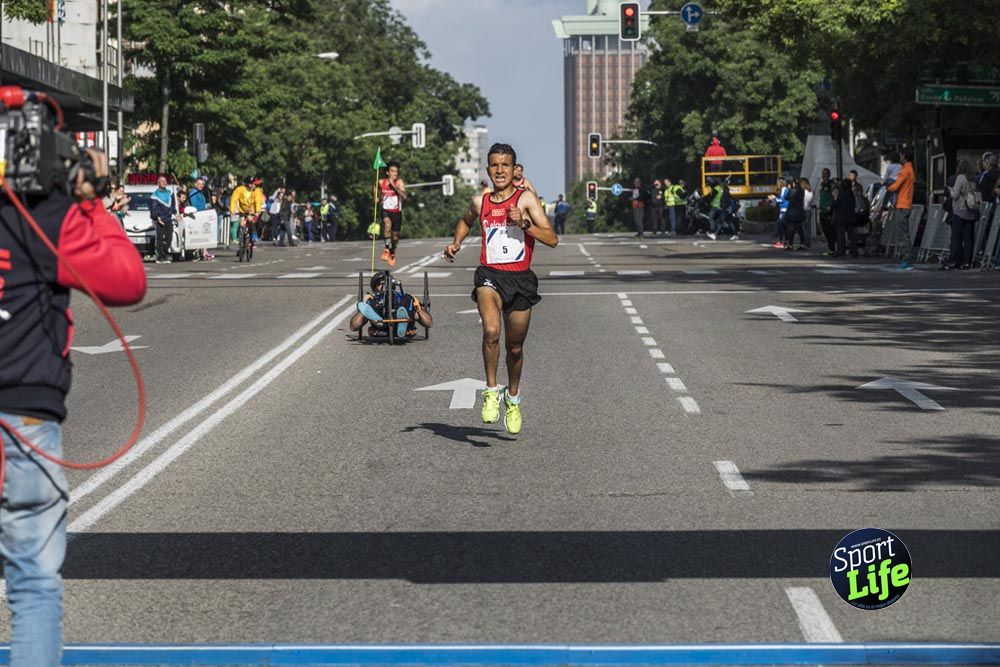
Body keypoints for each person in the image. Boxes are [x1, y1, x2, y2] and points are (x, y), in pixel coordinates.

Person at [0, 147, 147, 667]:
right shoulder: (44, 217)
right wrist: (92, 202)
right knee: (34, 587)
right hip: (23, 419)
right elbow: (127, 281)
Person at [443, 143, 558, 435]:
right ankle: (491, 391)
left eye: (505, 165)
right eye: (494, 165)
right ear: (488, 169)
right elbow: (465, 221)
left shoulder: (527, 199)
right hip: (489, 276)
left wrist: (526, 223)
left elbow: (552, 239)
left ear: (514, 168)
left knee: (515, 347)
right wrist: (456, 243)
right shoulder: (481, 201)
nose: (500, 170)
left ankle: (513, 397)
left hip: (520, 280)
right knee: (491, 331)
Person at [349, 273, 432, 338]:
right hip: (380, 322)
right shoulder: (373, 299)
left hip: (403, 315)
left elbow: (429, 323)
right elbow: (353, 326)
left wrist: (419, 309)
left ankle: (402, 320)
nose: (383, 286)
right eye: (380, 284)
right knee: (370, 303)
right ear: (375, 288)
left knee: (408, 298)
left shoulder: (401, 296)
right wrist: (364, 305)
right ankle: (377, 319)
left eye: (385, 283)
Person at [943, 159, 978, 270]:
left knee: (955, 238)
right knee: (967, 239)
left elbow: (955, 195)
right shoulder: (972, 179)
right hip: (970, 212)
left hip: (959, 211)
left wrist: (950, 190)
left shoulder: (960, 178)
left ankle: (952, 261)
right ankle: (967, 262)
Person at [887, 149, 916, 269]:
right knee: (904, 233)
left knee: (902, 234)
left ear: (904, 156)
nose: (900, 157)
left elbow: (896, 186)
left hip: (902, 205)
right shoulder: (910, 169)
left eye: (900, 155)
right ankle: (906, 258)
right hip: (905, 204)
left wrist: (888, 186)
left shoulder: (905, 170)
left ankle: (906, 259)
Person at [377, 161, 407, 267]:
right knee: (387, 225)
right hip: (386, 210)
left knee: (395, 237)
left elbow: (404, 196)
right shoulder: (381, 182)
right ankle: (386, 249)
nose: (394, 174)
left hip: (397, 212)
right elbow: (374, 188)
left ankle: (392, 252)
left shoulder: (399, 182)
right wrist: (375, 197)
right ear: (387, 172)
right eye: (392, 171)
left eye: (396, 172)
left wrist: (394, 186)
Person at [150, 175, 175, 264]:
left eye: (165, 181)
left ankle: (164, 253)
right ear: (158, 183)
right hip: (160, 219)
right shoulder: (155, 195)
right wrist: (156, 218)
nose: (164, 182)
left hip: (168, 219)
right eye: (161, 181)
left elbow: (172, 206)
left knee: (169, 239)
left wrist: (175, 214)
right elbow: (153, 208)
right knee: (160, 238)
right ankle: (160, 257)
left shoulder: (169, 193)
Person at [831, 177, 858, 258]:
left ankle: (841, 251)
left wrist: (834, 198)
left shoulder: (840, 194)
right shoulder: (851, 194)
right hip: (850, 216)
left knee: (841, 235)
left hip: (840, 217)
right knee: (851, 235)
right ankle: (854, 251)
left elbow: (835, 204)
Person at [784, 178, 807, 250]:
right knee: (800, 229)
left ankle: (790, 245)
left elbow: (786, 197)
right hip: (800, 212)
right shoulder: (802, 191)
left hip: (792, 213)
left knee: (791, 229)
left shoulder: (792, 191)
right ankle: (803, 244)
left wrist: (789, 189)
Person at [818, 169, 836, 256]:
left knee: (829, 230)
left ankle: (832, 248)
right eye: (823, 173)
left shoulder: (831, 184)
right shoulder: (822, 184)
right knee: (825, 230)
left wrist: (830, 206)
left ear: (829, 174)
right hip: (822, 210)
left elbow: (834, 196)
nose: (824, 175)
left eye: (825, 173)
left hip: (828, 211)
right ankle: (830, 247)